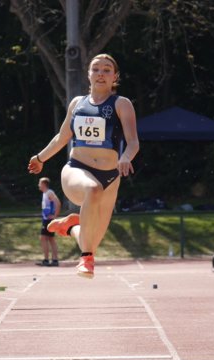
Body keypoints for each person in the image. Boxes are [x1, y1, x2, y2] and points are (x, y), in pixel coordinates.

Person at [27, 53, 140, 279]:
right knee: (92, 189)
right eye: (96, 69)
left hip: (110, 176)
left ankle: (70, 227)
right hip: (76, 169)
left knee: (91, 240)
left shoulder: (121, 104)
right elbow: (61, 138)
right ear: (88, 74)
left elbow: (133, 142)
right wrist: (40, 158)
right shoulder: (77, 103)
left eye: (107, 69)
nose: (101, 73)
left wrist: (126, 157)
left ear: (115, 76)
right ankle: (86, 258)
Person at [38, 177, 61, 266]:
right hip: (46, 219)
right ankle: (53, 260)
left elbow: (58, 203)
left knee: (44, 238)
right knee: (50, 239)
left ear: (44, 184)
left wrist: (55, 216)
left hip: (49, 220)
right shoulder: (45, 193)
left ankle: (47, 260)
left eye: (39, 183)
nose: (38, 185)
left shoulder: (49, 193)